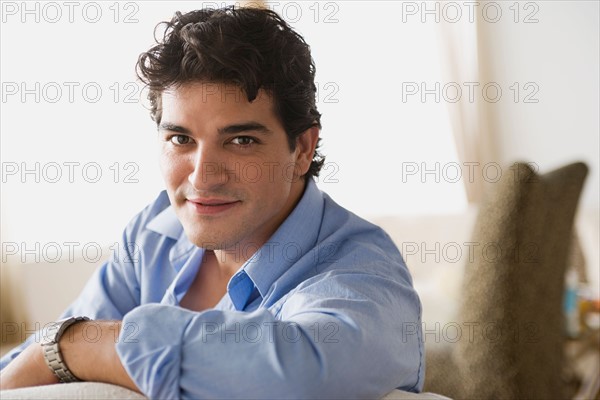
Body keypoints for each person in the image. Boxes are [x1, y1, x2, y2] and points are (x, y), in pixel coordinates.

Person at [0, 6, 423, 398]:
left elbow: (303, 375)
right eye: (181, 139)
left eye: (241, 141)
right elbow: (33, 362)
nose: (202, 177)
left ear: (303, 149)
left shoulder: (363, 269)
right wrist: (60, 348)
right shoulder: (154, 232)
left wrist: (77, 346)